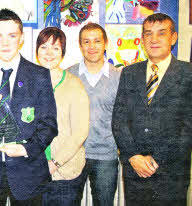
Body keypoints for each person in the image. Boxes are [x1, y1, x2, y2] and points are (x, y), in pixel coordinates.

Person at [0, 9, 57, 205]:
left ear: (21, 38)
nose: (5, 43)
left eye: (12, 35)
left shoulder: (39, 75)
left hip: (28, 173)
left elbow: (49, 125)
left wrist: (26, 149)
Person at [112, 13, 192, 206]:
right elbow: (119, 119)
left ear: (173, 38)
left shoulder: (188, 73)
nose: (154, 39)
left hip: (172, 173)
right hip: (135, 171)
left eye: (161, 33)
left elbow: (188, 127)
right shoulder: (130, 73)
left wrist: (156, 160)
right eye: (148, 34)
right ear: (142, 39)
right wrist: (133, 156)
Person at [67, 23, 121, 206]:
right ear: (80, 45)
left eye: (97, 41)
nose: (92, 46)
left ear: (106, 43)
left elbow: (123, 118)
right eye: (86, 42)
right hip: (74, 154)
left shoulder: (119, 77)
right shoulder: (69, 75)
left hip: (106, 156)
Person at [36, 27, 90, 206]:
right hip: (34, 174)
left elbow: (80, 133)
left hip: (66, 173)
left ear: (63, 52)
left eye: (56, 48)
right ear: (37, 51)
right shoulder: (27, 83)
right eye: (44, 47)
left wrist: (54, 163)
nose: (49, 53)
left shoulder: (74, 85)